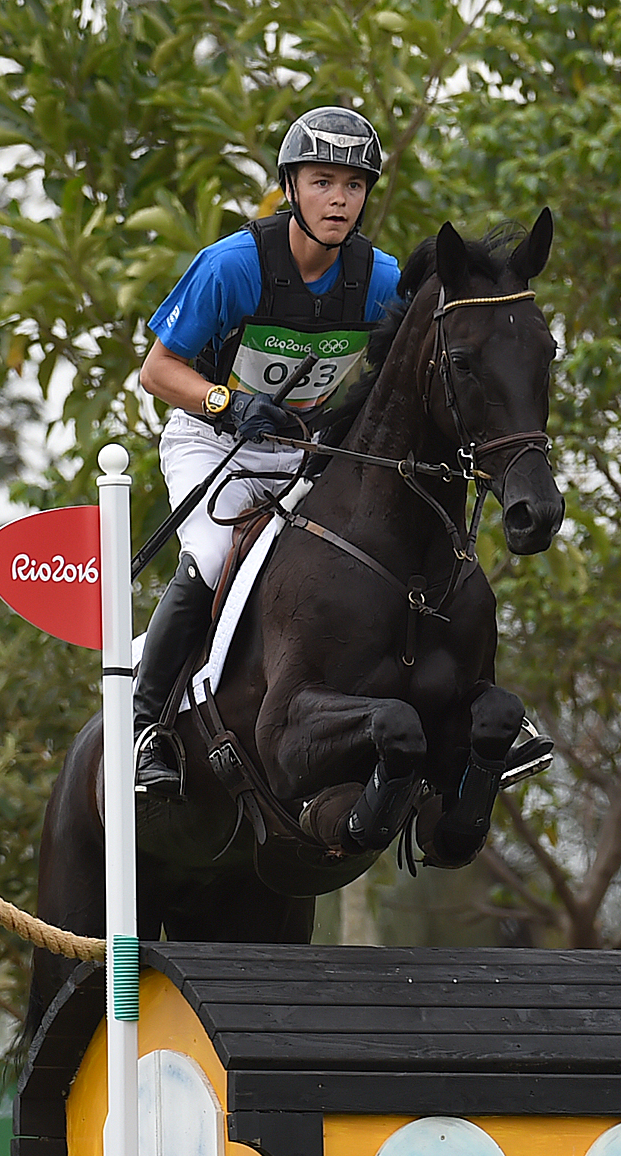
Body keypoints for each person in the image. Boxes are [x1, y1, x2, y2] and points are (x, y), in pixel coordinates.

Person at [130, 106, 405, 797]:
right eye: (322, 182)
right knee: (213, 557)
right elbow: (157, 371)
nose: (339, 199)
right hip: (213, 442)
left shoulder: (380, 281)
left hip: (302, 452)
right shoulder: (233, 266)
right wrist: (227, 404)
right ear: (290, 188)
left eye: (353, 185)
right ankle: (145, 727)